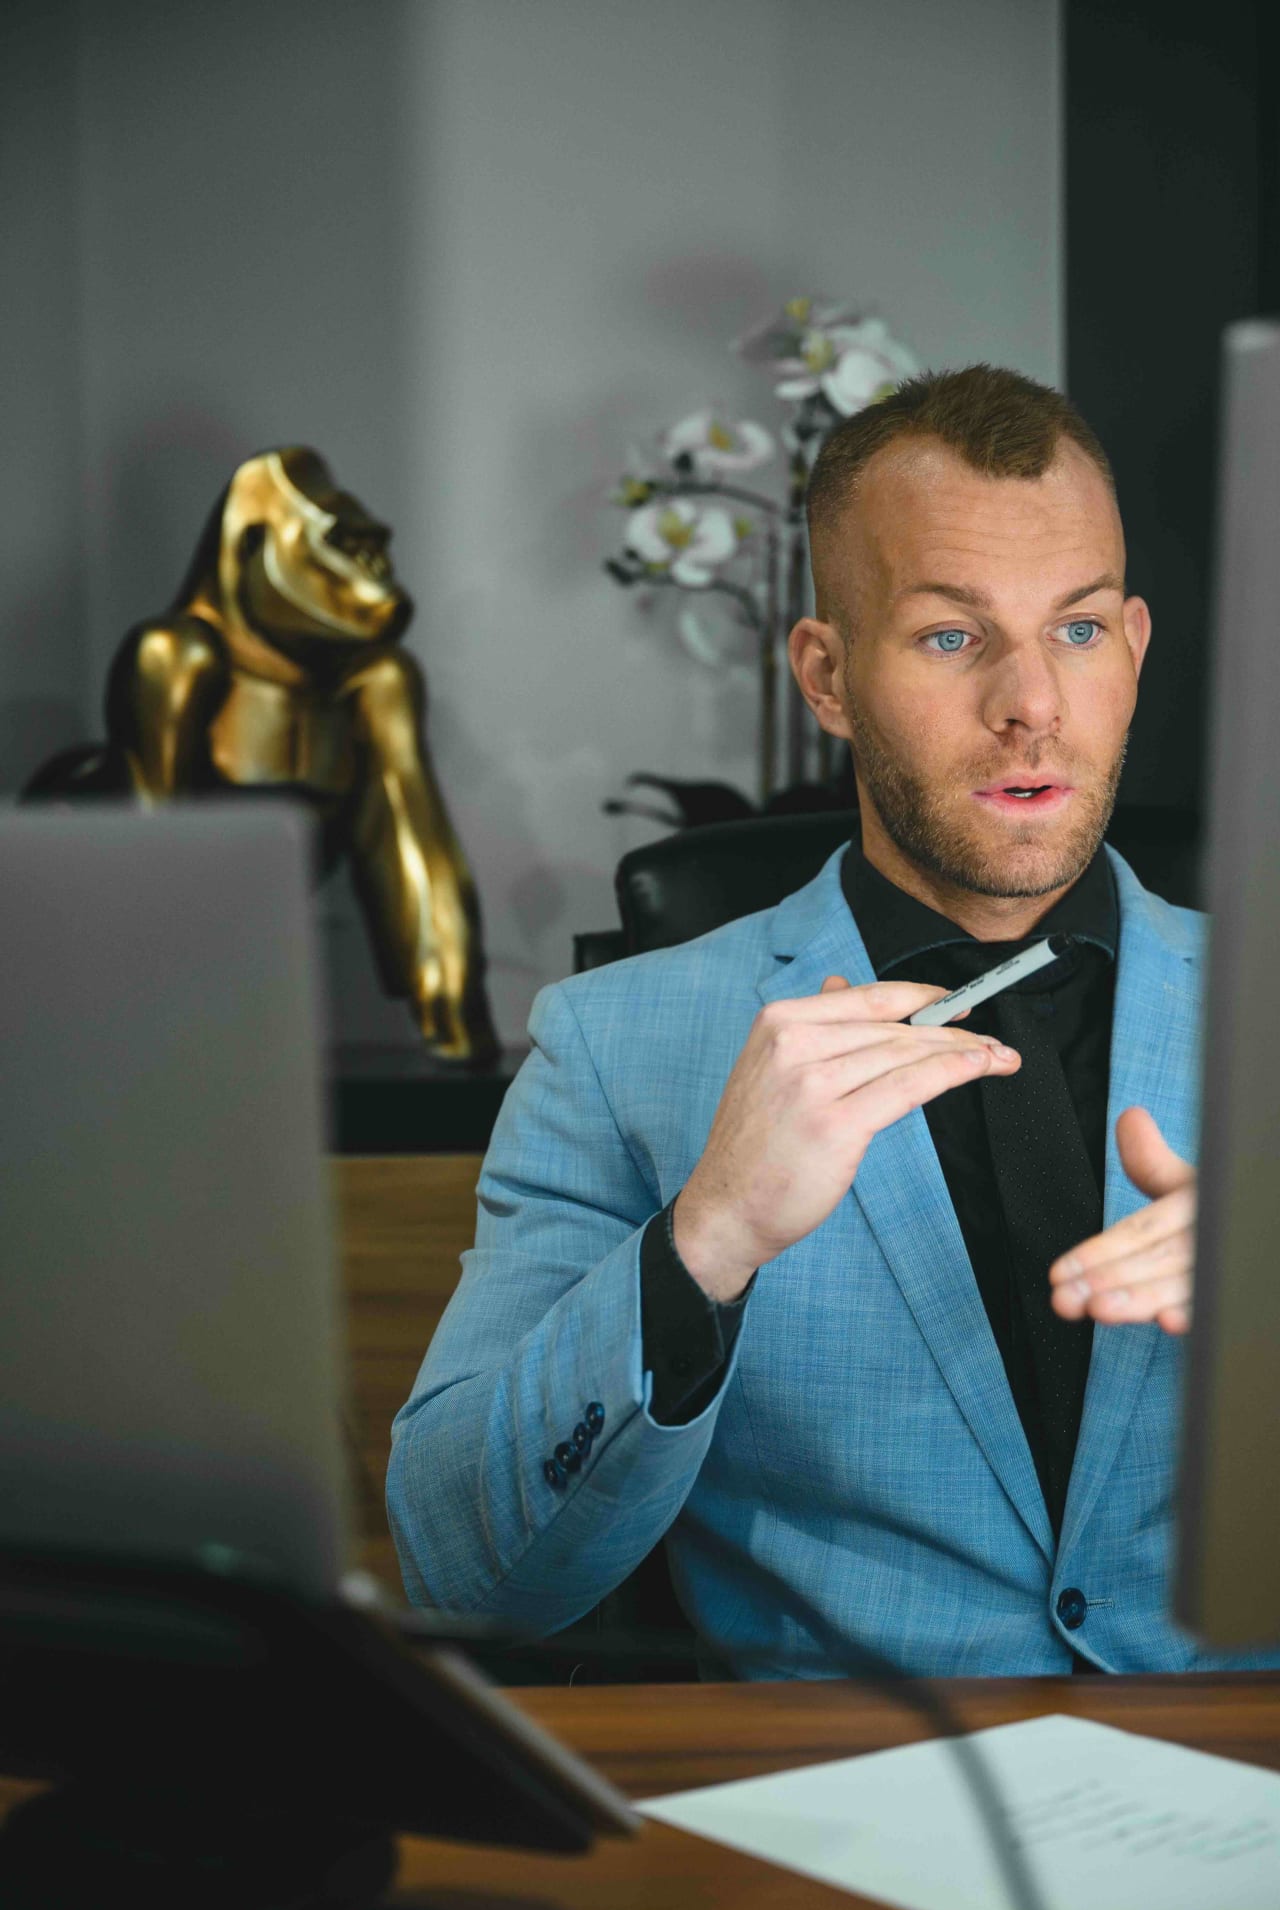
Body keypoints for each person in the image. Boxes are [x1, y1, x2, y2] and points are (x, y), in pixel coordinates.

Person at [388, 365, 1272, 1677]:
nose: (1033, 702)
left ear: (1134, 651)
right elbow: (463, 1570)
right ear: (827, 674)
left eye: (1078, 630)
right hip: (844, 1816)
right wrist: (708, 1241)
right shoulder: (613, 1046)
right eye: (952, 637)